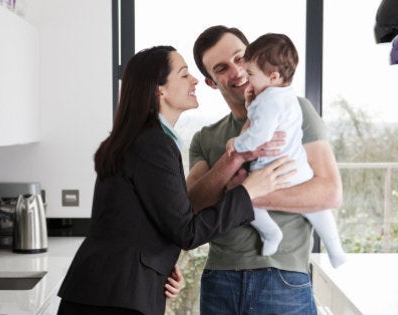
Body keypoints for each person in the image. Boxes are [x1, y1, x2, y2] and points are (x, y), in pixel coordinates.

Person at [57, 45, 296, 315]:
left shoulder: (141, 138)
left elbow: (136, 220)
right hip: (115, 297)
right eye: (184, 75)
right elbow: (187, 231)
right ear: (160, 90)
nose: (194, 80)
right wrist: (247, 193)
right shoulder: (153, 144)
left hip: (109, 291)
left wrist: (160, 264)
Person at [189, 26, 343, 314]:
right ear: (211, 82)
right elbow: (192, 205)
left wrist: (248, 195)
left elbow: (330, 192)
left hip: (282, 278)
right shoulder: (205, 137)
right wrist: (235, 158)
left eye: (239, 58)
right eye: (221, 68)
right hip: (219, 279)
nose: (236, 72)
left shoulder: (295, 110)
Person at [225, 33, 347, 267]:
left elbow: (259, 136)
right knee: (319, 211)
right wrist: (253, 106)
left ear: (273, 76)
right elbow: (270, 120)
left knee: (246, 200)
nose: (247, 79)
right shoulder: (286, 95)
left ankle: (271, 233)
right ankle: (335, 249)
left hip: (272, 171)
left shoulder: (268, 100)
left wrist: (236, 144)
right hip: (296, 167)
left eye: (250, 74)